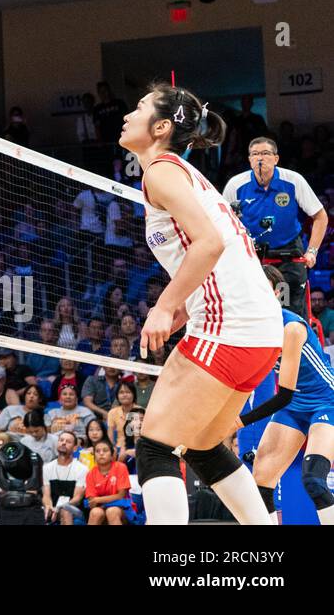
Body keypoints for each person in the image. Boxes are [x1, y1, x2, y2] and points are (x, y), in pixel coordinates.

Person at [121, 83, 282, 525]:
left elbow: (208, 244)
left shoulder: (161, 171)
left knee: (155, 445)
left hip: (231, 328)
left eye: (137, 107)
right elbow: (220, 255)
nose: (126, 115)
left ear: (160, 126)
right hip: (259, 331)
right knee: (204, 445)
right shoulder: (181, 175)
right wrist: (182, 310)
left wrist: (161, 306)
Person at [238, 266, 334, 524]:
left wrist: (238, 421)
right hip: (295, 406)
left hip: (326, 401)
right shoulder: (251, 329)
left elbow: (283, 395)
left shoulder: (291, 327)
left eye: (262, 287)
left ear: (277, 292)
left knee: (313, 479)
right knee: (261, 483)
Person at [223, 137, 328, 313]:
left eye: (265, 153)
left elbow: (320, 216)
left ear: (276, 159)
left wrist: (312, 251)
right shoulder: (236, 185)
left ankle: (295, 338)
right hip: (251, 254)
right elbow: (222, 222)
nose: (260, 158)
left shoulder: (293, 180)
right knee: (251, 307)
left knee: (286, 309)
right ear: (249, 160)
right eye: (255, 154)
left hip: (289, 253)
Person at [43, 430, 88, 525]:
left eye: (68, 442)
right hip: (54, 509)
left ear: (75, 448)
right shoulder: (47, 468)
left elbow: (77, 498)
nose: (63, 443)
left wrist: (60, 508)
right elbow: (46, 495)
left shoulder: (81, 469)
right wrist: (49, 506)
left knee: (66, 511)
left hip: (75, 511)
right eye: (61, 440)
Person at [84, 438, 132, 525]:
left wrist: (99, 499)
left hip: (122, 509)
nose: (101, 453)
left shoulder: (121, 467)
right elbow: (92, 501)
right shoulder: (90, 474)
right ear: (94, 455)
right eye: (97, 451)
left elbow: (121, 495)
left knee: (112, 511)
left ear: (112, 455)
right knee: (95, 513)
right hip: (100, 508)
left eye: (105, 450)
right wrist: (97, 501)